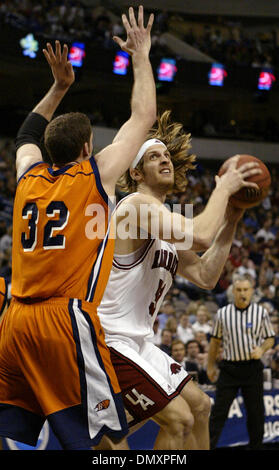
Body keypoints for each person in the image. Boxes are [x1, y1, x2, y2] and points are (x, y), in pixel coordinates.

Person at [0, 6, 157, 450]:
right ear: (88, 146)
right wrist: (141, 54)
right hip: (61, 320)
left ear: (47, 150)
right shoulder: (95, 174)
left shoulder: (28, 174)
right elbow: (143, 115)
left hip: (13, 322)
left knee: (9, 434)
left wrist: (58, 87)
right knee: (108, 442)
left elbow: (25, 132)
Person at [97, 109, 263, 450]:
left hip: (138, 342)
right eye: (153, 156)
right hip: (109, 339)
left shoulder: (165, 225)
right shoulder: (134, 207)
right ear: (136, 171)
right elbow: (201, 236)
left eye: (166, 155)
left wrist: (231, 217)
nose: (164, 160)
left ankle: (102, 434)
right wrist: (225, 188)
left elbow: (206, 275)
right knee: (180, 419)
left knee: (201, 406)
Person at [207, 274, 275, 450]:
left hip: (252, 369)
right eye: (239, 290)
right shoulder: (222, 314)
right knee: (218, 414)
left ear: (252, 291)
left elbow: (270, 339)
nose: (242, 293)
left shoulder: (261, 313)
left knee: (256, 414)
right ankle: (206, 447)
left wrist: (261, 349)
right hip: (229, 369)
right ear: (233, 292)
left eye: (245, 289)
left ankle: (256, 447)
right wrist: (210, 366)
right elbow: (214, 342)